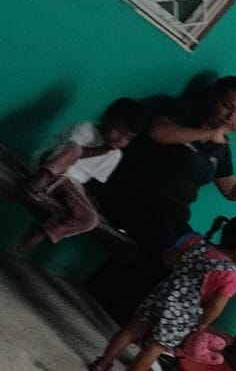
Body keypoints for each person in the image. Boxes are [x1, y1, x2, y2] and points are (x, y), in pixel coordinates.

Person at [99, 76, 236, 264]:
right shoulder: (186, 112)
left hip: (175, 216)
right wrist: (208, 133)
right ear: (211, 98)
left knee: (201, 259)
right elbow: (158, 133)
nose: (231, 116)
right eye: (226, 106)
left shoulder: (221, 147)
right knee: (170, 257)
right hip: (141, 197)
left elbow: (231, 189)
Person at [88, 214, 236, 371]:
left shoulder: (196, 242)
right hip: (183, 313)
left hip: (161, 294)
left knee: (131, 330)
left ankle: (102, 364)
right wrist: (205, 322)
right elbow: (216, 305)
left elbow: (168, 257)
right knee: (155, 347)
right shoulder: (230, 276)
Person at [13, 99, 142, 255]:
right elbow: (73, 152)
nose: (121, 139)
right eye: (119, 131)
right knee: (75, 150)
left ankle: (41, 233)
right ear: (105, 119)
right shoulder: (86, 128)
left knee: (90, 220)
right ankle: (37, 182)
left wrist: (85, 200)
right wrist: (101, 150)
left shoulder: (115, 155)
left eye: (128, 138)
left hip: (65, 185)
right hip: (45, 166)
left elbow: (88, 182)